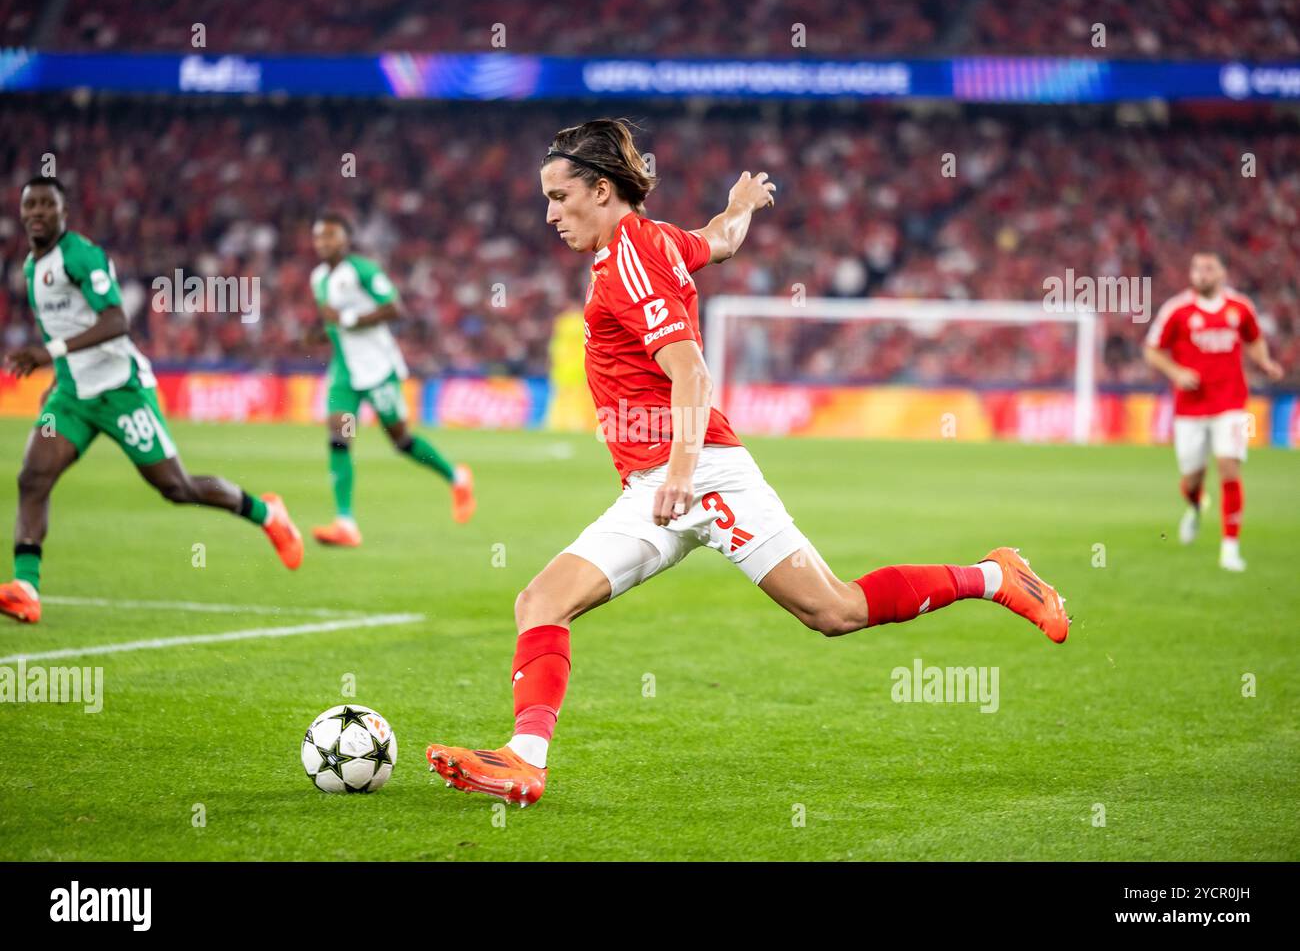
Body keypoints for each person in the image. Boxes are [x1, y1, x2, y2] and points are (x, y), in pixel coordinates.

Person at [426, 120, 1069, 807]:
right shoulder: (657, 241)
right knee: (541, 602)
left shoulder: (633, 259)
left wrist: (679, 475)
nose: (550, 215)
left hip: (699, 475)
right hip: (658, 483)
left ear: (603, 189)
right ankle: (525, 760)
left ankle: (997, 576)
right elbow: (721, 242)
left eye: (559, 197)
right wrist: (742, 204)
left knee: (835, 610)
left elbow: (692, 375)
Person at [1, 177, 302, 624]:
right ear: (23, 212)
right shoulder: (30, 267)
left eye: (48, 204)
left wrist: (48, 355)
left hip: (122, 390)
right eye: (31, 205)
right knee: (33, 478)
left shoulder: (82, 256)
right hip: (72, 395)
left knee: (176, 488)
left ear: (64, 213)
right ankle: (26, 587)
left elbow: (117, 321)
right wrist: (57, 375)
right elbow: (57, 327)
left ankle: (267, 513)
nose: (38, 212)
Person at [309, 213, 475, 546]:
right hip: (344, 370)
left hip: (377, 368)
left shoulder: (363, 270)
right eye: (318, 237)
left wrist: (349, 317)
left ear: (345, 239)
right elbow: (331, 323)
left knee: (400, 441)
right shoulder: (317, 279)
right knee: (339, 435)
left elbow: (394, 308)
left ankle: (456, 477)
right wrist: (315, 334)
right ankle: (345, 522)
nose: (323, 243)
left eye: (330, 236)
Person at [1144, 252, 1283, 571]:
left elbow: (1254, 339)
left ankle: (1230, 548)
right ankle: (1194, 506)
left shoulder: (1240, 307)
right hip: (1190, 409)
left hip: (1232, 403)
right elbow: (1151, 350)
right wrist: (1176, 372)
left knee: (1229, 467)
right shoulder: (1177, 310)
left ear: (1222, 272)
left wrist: (1264, 362)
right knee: (1192, 478)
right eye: (1196, 269)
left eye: (1208, 269)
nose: (1202, 274)